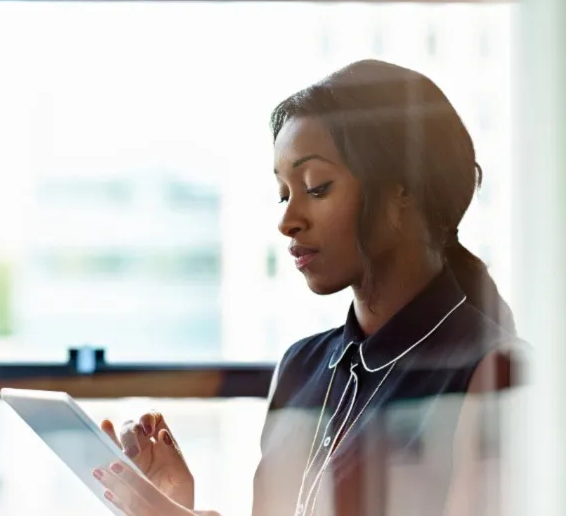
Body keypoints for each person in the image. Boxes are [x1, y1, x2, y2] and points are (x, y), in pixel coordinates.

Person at [91, 59, 526, 516]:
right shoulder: (300, 367)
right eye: (284, 193)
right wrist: (175, 502)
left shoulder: (499, 373)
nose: (287, 220)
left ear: (405, 190)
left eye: (316, 187)